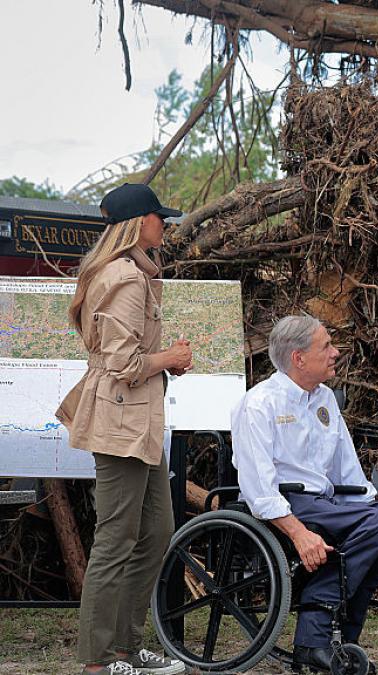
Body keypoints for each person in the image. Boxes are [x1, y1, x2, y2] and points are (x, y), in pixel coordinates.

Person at [55, 183, 192, 675]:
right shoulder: (126, 279)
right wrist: (170, 358)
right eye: (159, 217)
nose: (166, 224)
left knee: (156, 531)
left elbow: (127, 358)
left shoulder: (135, 274)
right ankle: (97, 661)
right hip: (120, 421)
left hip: (140, 422)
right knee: (116, 538)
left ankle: (125, 649)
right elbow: (121, 362)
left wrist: (162, 363)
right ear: (138, 223)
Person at [231, 315, 378, 671]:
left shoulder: (324, 397)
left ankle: (345, 634)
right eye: (325, 346)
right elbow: (258, 488)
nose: (335, 353)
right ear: (298, 358)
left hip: (325, 502)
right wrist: (298, 533)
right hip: (285, 505)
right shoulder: (259, 403)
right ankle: (313, 638)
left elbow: (347, 469)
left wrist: (374, 504)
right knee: (376, 523)